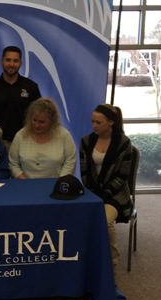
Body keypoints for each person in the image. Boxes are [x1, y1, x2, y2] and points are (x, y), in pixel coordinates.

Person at [80, 104, 132, 276]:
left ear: (110, 122)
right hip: (92, 192)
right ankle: (86, 260)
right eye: (92, 121)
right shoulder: (86, 141)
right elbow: (85, 172)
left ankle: (112, 263)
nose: (94, 125)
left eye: (98, 122)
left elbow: (122, 177)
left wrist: (104, 195)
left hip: (116, 195)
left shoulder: (124, 144)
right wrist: (91, 194)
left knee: (105, 219)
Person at [0, 46, 41, 149]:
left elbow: (38, 115)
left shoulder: (31, 87)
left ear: (20, 63)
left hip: (25, 143)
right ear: (1, 61)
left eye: (15, 61)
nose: (11, 64)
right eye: (8, 60)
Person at [9, 97, 76, 179]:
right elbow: (13, 163)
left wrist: (61, 181)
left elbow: (70, 162)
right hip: (25, 184)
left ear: (52, 121)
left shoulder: (64, 135)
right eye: (34, 120)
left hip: (56, 184)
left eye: (42, 122)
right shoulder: (20, 135)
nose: (37, 125)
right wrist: (24, 180)